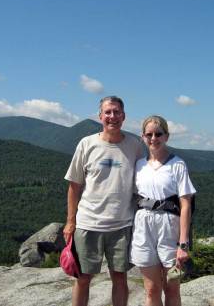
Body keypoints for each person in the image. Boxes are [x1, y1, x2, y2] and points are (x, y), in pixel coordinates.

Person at [63, 96, 144, 306]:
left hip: (122, 224)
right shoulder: (87, 144)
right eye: (108, 112)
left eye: (117, 112)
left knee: (119, 277)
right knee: (82, 279)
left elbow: (142, 184)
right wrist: (70, 221)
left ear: (123, 116)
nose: (112, 116)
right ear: (100, 116)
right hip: (88, 223)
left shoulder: (134, 145)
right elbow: (74, 186)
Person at [130, 115, 196, 306]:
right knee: (151, 290)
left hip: (169, 227)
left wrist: (183, 244)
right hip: (143, 225)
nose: (153, 138)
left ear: (166, 136)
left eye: (158, 134)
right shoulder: (139, 165)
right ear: (142, 137)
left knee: (172, 288)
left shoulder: (177, 165)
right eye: (148, 134)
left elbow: (186, 205)